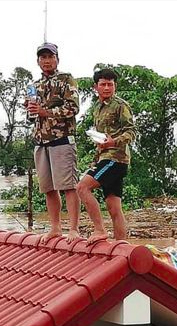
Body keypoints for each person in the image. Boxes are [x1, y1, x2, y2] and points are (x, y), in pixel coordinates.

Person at [27, 42, 81, 243]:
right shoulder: (33, 85)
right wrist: (31, 109)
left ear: (57, 59)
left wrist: (46, 111)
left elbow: (73, 108)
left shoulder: (67, 79)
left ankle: (74, 229)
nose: (46, 61)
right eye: (43, 57)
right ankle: (55, 227)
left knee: (68, 186)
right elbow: (31, 117)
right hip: (41, 141)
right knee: (48, 188)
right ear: (38, 61)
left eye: (50, 57)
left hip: (62, 139)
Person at [77, 69, 136, 244]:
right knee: (114, 207)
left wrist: (113, 142)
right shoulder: (97, 108)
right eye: (103, 84)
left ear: (115, 86)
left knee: (82, 188)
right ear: (96, 87)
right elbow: (100, 138)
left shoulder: (120, 105)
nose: (107, 87)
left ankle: (100, 230)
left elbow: (131, 131)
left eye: (110, 84)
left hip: (116, 159)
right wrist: (96, 158)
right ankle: (121, 246)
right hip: (104, 158)